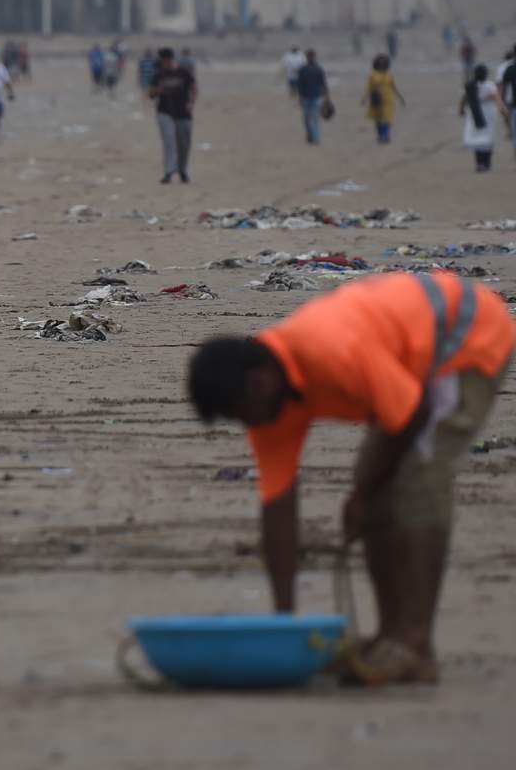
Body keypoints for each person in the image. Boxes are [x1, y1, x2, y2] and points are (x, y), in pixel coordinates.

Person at [186, 272, 514, 686]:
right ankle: (389, 637)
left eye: (239, 412)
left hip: (465, 338)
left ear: (257, 381)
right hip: (407, 367)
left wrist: (361, 493)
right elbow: (278, 509)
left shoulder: (327, 350)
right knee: (375, 488)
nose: (244, 424)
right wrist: (284, 630)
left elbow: (412, 415)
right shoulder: (269, 407)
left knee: (416, 479)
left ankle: (416, 645)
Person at [148, 47, 196, 184]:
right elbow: (150, 94)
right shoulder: (158, 75)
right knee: (169, 142)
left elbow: (193, 88)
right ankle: (168, 172)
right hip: (165, 112)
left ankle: (182, 170)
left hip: (183, 113)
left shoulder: (183, 73)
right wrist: (159, 90)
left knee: (184, 144)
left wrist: (191, 104)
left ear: (168, 60)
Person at [461, 64, 508, 172]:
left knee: (477, 139)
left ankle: (479, 163)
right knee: (487, 139)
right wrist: (504, 110)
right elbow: (497, 99)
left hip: (474, 114)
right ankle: (487, 163)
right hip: (489, 115)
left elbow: (464, 99)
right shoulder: (489, 85)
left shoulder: (470, 85)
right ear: (486, 74)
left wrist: (461, 109)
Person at [364, 54, 405, 144]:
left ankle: (386, 136)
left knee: (387, 119)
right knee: (378, 119)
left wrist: (400, 98)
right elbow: (369, 88)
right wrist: (365, 98)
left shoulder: (389, 75)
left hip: (388, 101)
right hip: (376, 101)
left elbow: (394, 87)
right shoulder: (373, 75)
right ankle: (380, 135)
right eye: (380, 63)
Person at [295, 49, 329, 144]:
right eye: (309, 56)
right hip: (306, 97)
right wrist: (300, 97)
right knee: (306, 119)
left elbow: (323, 84)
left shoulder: (318, 69)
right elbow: (300, 85)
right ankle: (310, 134)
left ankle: (316, 138)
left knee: (315, 118)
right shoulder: (302, 70)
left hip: (317, 98)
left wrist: (327, 98)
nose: (311, 58)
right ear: (307, 57)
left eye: (312, 56)